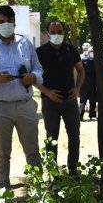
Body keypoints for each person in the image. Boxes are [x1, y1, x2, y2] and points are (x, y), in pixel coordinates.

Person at [0, 6, 43, 188]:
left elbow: (39, 69)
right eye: (1, 22)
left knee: (32, 151)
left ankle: (38, 192)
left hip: (25, 105)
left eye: (9, 21)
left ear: (14, 22)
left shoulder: (25, 44)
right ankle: (3, 194)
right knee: (1, 153)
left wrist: (33, 77)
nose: (5, 25)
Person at [36, 21, 84, 174]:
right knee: (51, 137)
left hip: (70, 100)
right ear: (47, 33)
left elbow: (81, 71)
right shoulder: (40, 52)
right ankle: (52, 172)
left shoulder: (71, 49)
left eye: (60, 31)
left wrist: (77, 89)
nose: (57, 34)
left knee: (74, 136)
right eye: (53, 31)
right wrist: (47, 92)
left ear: (64, 32)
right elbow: (33, 77)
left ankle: (73, 169)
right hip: (49, 101)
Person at [79, 45, 97, 120]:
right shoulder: (83, 60)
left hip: (93, 83)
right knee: (83, 100)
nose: (92, 53)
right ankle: (80, 116)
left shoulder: (96, 61)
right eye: (91, 52)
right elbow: (80, 72)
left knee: (93, 100)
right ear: (88, 52)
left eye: (93, 52)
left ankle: (92, 115)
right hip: (84, 83)